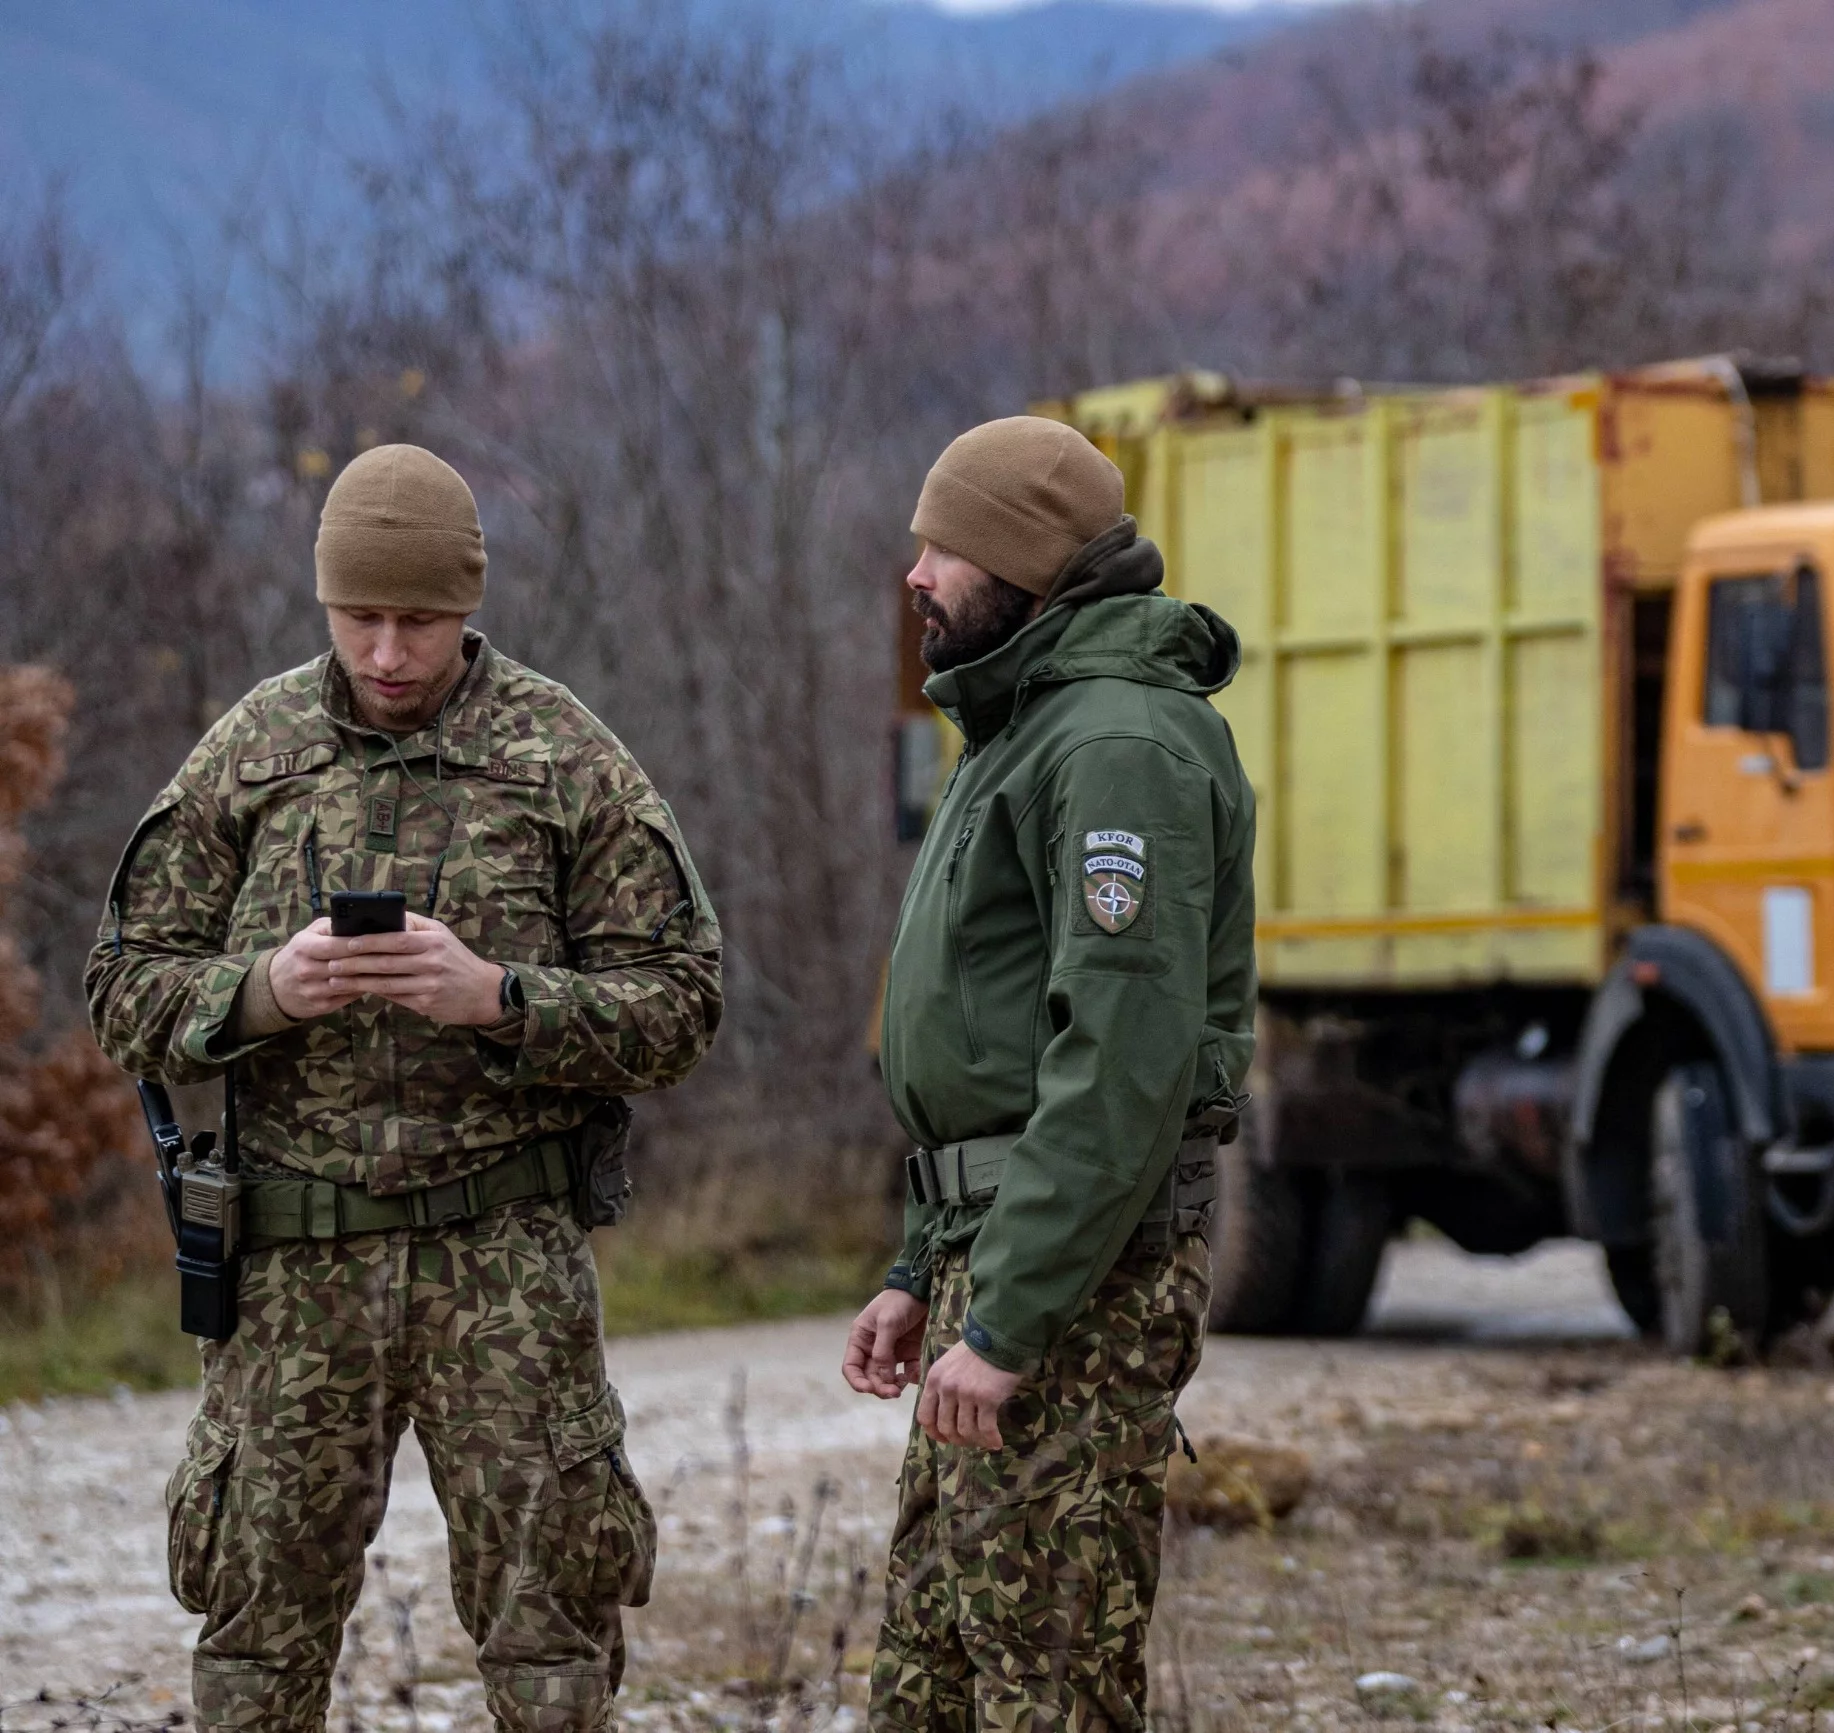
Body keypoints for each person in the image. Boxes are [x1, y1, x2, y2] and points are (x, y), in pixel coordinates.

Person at [86, 443, 725, 1733]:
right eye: (360, 618)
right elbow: (120, 988)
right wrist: (265, 990)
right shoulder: (250, 757)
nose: (387, 653)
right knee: (256, 1647)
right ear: (324, 604)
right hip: (293, 1267)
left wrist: (499, 998)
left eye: (420, 621)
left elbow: (683, 1001)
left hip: (507, 1263)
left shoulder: (563, 759)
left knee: (554, 1646)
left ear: (468, 607)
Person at [842, 416, 1257, 1728]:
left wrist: (1009, 1320)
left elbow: (1119, 1062)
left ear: (1024, 564)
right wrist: (924, 1268)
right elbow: (992, 1047)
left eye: (945, 546)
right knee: (934, 1670)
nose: (915, 572)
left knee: (1046, 1680)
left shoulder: (1115, 743)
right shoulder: (1021, 728)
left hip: (1079, 1279)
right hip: (1002, 1252)